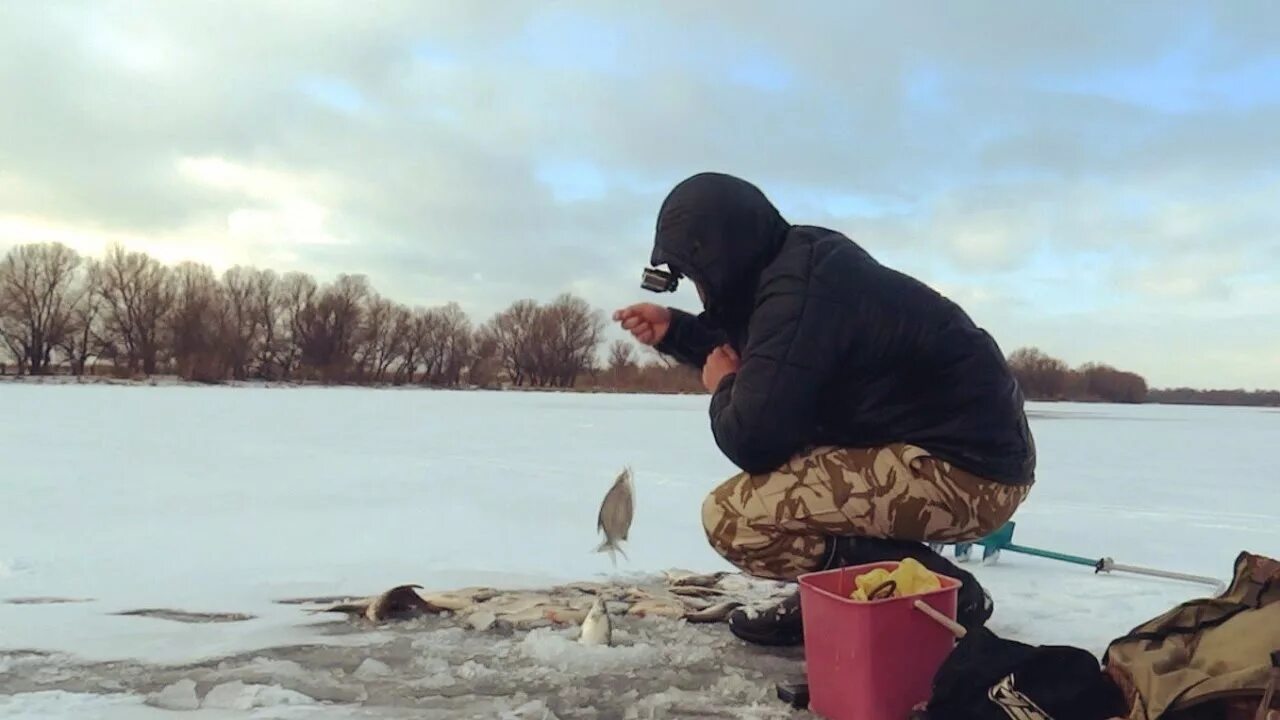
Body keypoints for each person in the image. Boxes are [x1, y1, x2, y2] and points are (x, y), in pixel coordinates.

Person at [613, 172, 1036, 647]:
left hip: (968, 477)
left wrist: (725, 385)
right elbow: (768, 355)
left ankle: (936, 588)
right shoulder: (796, 268)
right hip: (960, 456)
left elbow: (752, 436)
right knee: (789, 478)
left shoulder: (799, 294)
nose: (698, 289)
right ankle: (856, 585)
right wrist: (674, 330)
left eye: (695, 276)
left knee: (736, 518)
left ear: (718, 257)